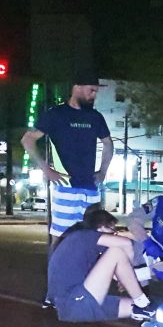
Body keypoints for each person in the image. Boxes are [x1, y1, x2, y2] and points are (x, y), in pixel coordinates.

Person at [21, 69, 114, 241]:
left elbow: (109, 144)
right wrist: (46, 169)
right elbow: (27, 140)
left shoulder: (95, 117)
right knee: (61, 236)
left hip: (91, 188)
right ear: (77, 87)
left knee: (93, 236)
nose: (93, 95)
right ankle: (56, 267)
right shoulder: (55, 114)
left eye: (95, 91)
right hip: (65, 186)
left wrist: (103, 171)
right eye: (91, 90)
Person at [47, 209, 156, 323]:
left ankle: (145, 309)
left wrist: (153, 273)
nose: (114, 232)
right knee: (116, 252)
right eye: (112, 228)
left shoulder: (82, 245)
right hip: (75, 301)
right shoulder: (84, 236)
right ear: (101, 227)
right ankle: (143, 303)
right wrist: (128, 271)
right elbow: (126, 244)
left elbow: (121, 275)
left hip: (73, 304)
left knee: (142, 309)